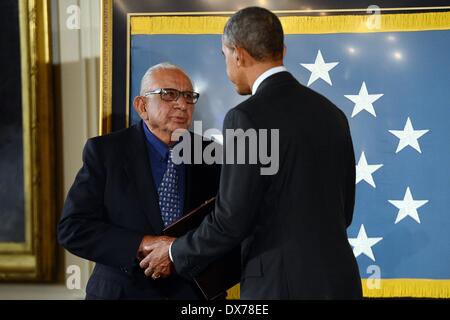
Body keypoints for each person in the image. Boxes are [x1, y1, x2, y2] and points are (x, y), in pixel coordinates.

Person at [139, 7, 363, 299]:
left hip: (280, 287)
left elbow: (231, 220)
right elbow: (344, 212)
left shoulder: (246, 117)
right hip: (340, 282)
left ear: (239, 55)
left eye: (224, 56)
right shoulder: (332, 114)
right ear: (280, 50)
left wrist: (173, 251)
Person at [57, 63, 221, 299]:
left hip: (190, 294)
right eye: (169, 94)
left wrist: (175, 253)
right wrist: (142, 244)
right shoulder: (106, 152)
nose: (182, 104)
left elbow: (222, 225)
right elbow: (73, 228)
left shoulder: (212, 154)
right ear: (141, 106)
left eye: (188, 96)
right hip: (122, 292)